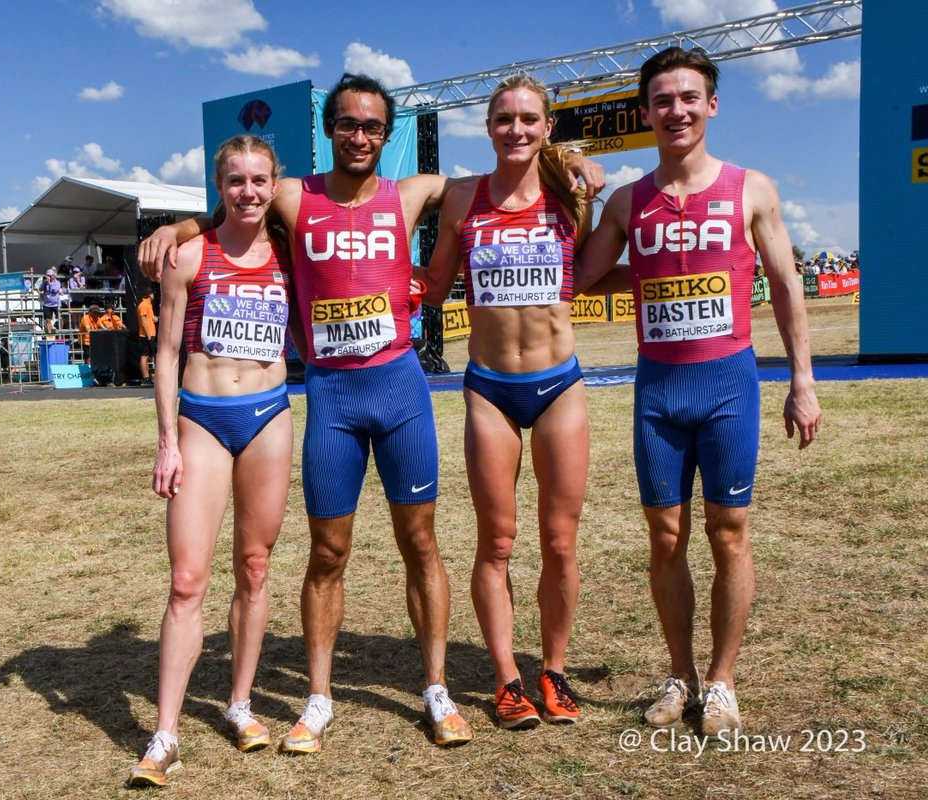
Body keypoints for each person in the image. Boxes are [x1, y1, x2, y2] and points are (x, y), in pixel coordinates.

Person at [140, 72, 605, 753]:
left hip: (399, 393)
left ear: (387, 137)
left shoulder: (415, 191)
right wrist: (177, 226)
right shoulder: (294, 196)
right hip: (333, 398)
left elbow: (508, 170)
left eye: (372, 127)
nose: (359, 136)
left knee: (421, 543)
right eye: (348, 124)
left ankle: (437, 689)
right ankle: (319, 697)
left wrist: (571, 159)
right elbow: (230, 212)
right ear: (329, 130)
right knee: (328, 553)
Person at [573, 47, 821, 736]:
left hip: (728, 386)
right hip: (659, 391)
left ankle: (722, 682)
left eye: (689, 98)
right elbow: (581, 277)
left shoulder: (752, 189)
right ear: (646, 112)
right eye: (662, 100)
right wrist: (589, 205)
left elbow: (788, 286)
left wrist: (802, 381)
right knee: (665, 535)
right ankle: (680, 674)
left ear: (711, 105)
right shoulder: (629, 201)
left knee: (729, 531)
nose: (675, 110)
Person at [421, 74, 591, 731]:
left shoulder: (571, 190)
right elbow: (435, 287)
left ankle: (553, 671)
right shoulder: (464, 198)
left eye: (528, 118)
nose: (515, 129)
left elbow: (602, 238)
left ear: (547, 126)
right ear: (487, 127)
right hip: (490, 388)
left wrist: (586, 168)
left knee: (559, 541)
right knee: (496, 541)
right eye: (503, 119)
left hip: (559, 387)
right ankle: (506, 680)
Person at [128, 134, 293, 788]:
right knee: (187, 579)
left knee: (254, 567)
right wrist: (167, 440)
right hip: (202, 420)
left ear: (273, 184)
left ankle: (240, 703)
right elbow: (166, 354)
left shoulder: (290, 253)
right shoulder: (190, 255)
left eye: (260, 181)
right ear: (219, 186)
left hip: (268, 420)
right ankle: (165, 733)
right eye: (236, 181)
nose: (249, 192)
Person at [136, 287, 157, 387]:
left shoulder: (149, 305)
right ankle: (145, 378)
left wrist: (155, 319)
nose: (154, 295)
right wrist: (148, 335)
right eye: (152, 293)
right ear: (149, 294)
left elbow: (150, 319)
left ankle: (148, 377)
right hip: (146, 335)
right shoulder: (144, 305)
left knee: (148, 355)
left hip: (150, 333)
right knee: (144, 356)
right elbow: (143, 321)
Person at [38, 267, 62, 334]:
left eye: (50, 275)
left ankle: (60, 332)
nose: (48, 277)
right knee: (48, 320)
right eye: (47, 275)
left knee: (60, 318)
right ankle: (49, 334)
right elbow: (40, 289)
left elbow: (54, 291)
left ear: (53, 276)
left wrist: (49, 283)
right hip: (47, 304)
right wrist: (44, 284)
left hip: (56, 304)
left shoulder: (57, 283)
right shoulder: (45, 283)